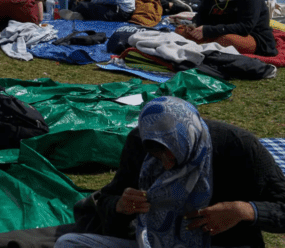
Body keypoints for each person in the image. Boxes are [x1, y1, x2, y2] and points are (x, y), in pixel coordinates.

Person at [55, 95, 285, 248]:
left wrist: (243, 210)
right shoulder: (139, 143)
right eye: (157, 158)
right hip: (154, 241)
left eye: (172, 154)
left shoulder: (239, 146)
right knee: (69, 243)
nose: (166, 166)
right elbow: (109, 198)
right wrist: (120, 205)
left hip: (220, 243)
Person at [176, 0, 276, 55]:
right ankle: (207, 45)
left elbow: (245, 27)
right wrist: (194, 25)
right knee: (181, 30)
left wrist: (208, 30)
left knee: (226, 40)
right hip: (216, 32)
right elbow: (202, 14)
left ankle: (205, 46)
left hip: (250, 37)